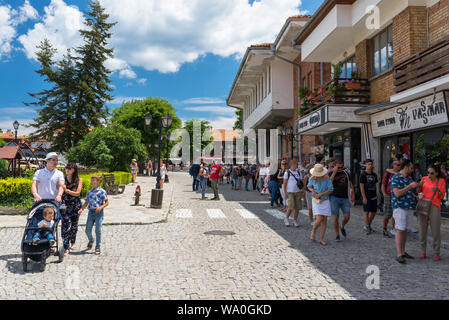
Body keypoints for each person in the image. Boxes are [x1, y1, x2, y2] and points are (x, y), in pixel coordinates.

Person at [391, 159, 419, 264]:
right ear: (406, 167)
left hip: (409, 207)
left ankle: (403, 252)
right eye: (411, 168)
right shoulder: (396, 178)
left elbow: (410, 193)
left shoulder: (409, 178)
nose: (412, 170)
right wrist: (409, 187)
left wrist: (416, 194)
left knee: (405, 230)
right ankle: (399, 254)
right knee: (400, 229)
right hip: (400, 207)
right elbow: (397, 193)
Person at [417, 164, 446, 261]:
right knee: (422, 229)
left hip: (434, 206)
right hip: (423, 204)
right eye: (428, 172)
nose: (429, 175)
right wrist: (419, 187)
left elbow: (442, 196)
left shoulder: (441, 181)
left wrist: (438, 190)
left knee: (435, 230)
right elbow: (419, 191)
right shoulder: (424, 179)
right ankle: (422, 251)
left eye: (432, 173)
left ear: (437, 173)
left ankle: (436, 252)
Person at [78, 175, 109, 255]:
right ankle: (91, 240)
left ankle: (97, 246)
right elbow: (86, 202)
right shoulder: (89, 192)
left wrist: (100, 207)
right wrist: (81, 209)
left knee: (98, 230)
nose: (92, 182)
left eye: (94, 181)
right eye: (91, 181)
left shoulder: (102, 191)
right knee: (87, 230)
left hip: (99, 213)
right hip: (90, 213)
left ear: (98, 182)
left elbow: (107, 202)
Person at [308, 164, 334, 246]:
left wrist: (321, 194)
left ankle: (321, 239)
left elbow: (330, 190)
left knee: (324, 220)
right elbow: (309, 186)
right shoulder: (312, 178)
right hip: (316, 200)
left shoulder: (327, 179)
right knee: (319, 218)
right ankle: (313, 231)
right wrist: (314, 192)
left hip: (325, 200)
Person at [329, 160, 355, 242]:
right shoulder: (330, 173)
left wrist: (353, 193)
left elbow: (350, 184)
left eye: (341, 167)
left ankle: (342, 226)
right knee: (335, 218)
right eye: (338, 167)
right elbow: (329, 183)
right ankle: (337, 235)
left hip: (345, 197)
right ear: (335, 166)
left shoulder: (346, 173)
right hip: (334, 197)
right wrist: (334, 172)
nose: (340, 169)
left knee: (347, 216)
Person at [61, 163, 83, 255]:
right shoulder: (63, 179)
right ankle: (66, 246)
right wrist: (67, 191)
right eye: (67, 168)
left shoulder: (79, 180)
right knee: (66, 225)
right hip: (65, 206)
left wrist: (68, 191)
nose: (67, 170)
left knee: (74, 225)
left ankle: (73, 241)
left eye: (69, 168)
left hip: (76, 206)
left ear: (74, 170)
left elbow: (77, 193)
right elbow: (61, 190)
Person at [283, 159, 305, 228]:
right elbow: (285, 183)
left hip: (298, 191)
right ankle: (286, 218)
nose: (297, 166)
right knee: (291, 206)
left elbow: (301, 182)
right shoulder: (287, 173)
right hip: (290, 192)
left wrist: (302, 191)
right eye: (296, 164)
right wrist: (285, 193)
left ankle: (295, 220)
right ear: (292, 165)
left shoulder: (298, 172)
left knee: (297, 207)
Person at [381, 159, 400, 238]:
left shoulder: (401, 174)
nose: (399, 166)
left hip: (397, 195)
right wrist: (384, 194)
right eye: (397, 165)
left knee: (396, 214)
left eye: (400, 165)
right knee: (387, 214)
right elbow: (383, 184)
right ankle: (384, 228)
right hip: (388, 195)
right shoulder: (388, 173)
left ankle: (394, 228)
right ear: (393, 165)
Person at [360, 159, 379, 235]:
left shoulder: (374, 175)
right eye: (368, 164)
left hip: (373, 195)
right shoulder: (363, 174)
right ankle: (367, 227)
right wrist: (364, 197)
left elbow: (375, 185)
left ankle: (368, 225)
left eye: (371, 164)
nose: (370, 166)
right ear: (365, 165)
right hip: (366, 195)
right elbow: (361, 186)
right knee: (366, 212)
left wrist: (377, 194)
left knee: (374, 212)